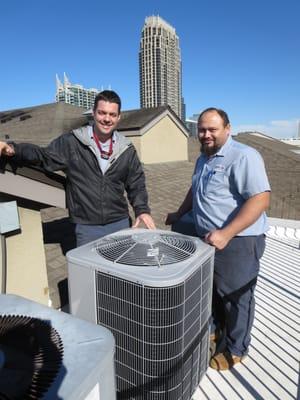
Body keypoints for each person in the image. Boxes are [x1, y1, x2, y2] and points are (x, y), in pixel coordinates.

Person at [166, 108, 270, 370]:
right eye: (202, 129)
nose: (206, 134)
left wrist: (226, 233)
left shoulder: (244, 156)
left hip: (239, 241)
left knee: (236, 297)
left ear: (227, 129)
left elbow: (260, 199)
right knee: (212, 289)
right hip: (209, 239)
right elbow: (196, 188)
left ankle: (236, 348)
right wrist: (180, 213)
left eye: (212, 129)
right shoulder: (204, 157)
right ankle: (215, 328)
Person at [0, 90, 155, 246]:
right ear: (93, 113)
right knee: (88, 269)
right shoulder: (72, 142)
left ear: (118, 117)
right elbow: (44, 156)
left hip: (120, 222)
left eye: (112, 114)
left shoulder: (126, 149)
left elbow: (136, 183)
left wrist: (142, 210)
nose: (107, 119)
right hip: (87, 227)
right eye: (102, 113)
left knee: (119, 268)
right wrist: (13, 149)